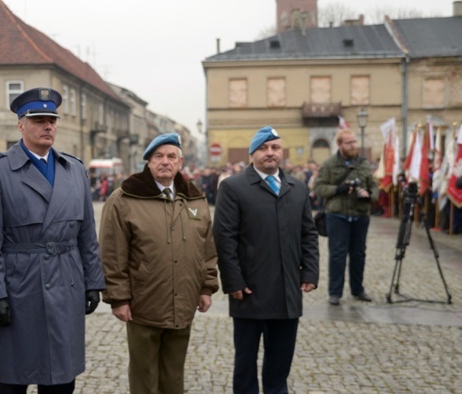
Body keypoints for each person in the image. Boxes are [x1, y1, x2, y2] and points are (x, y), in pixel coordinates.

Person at [0, 87, 105, 394]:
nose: (48, 126)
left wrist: (93, 282)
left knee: (61, 376)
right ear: (20, 124)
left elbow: (86, 234)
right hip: (21, 285)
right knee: (16, 377)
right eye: (38, 120)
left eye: (52, 120)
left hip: (66, 281)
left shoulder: (74, 170)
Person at [99, 133, 218, 394]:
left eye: (171, 156)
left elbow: (206, 248)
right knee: (144, 377)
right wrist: (118, 298)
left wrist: (206, 287)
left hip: (184, 302)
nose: (165, 161)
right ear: (149, 162)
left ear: (180, 162)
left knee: (173, 376)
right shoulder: (124, 199)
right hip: (144, 303)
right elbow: (112, 252)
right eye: (159, 156)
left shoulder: (195, 199)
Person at [213, 126, 319, 394]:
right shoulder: (233, 187)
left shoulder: (297, 188)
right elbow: (225, 238)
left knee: (279, 367)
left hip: (287, 292)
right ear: (252, 154)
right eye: (263, 148)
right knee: (245, 367)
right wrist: (233, 281)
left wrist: (310, 272)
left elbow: (308, 233)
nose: (270, 153)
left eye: (275, 148)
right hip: (249, 291)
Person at [313, 129, 379, 306]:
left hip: (359, 214)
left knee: (359, 254)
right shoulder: (329, 164)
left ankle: (357, 289)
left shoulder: (363, 164)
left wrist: (369, 194)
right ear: (340, 144)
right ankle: (335, 292)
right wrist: (337, 190)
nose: (353, 145)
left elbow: (374, 186)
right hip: (337, 215)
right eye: (348, 142)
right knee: (337, 254)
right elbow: (318, 188)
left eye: (354, 142)